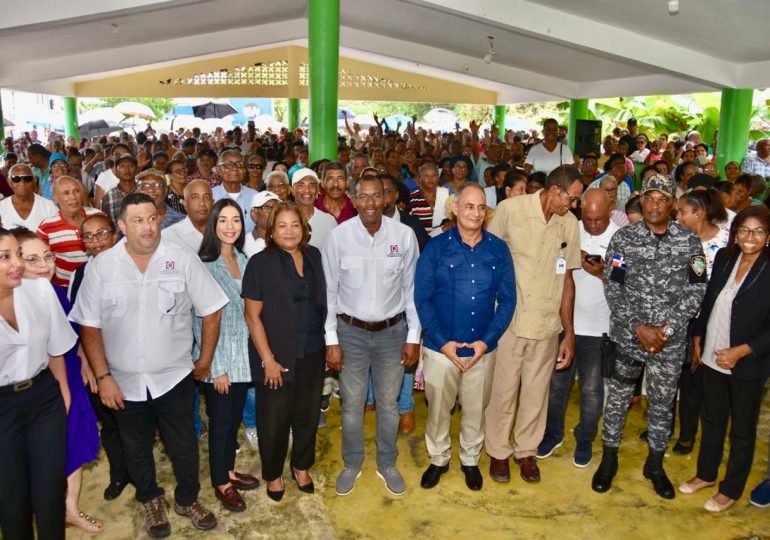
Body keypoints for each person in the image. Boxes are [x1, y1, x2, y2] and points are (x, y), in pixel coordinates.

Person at [70, 193, 228, 537]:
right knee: (136, 447)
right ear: (122, 226)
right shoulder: (102, 267)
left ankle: (187, 499)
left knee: (184, 445)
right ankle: (151, 500)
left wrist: (205, 360)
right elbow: (89, 325)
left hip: (174, 377)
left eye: (152, 218)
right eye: (138, 220)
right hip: (122, 381)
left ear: (160, 220)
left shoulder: (180, 258)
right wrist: (102, 375)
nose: (147, 227)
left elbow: (212, 307)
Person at [592, 173, 707, 500]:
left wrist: (666, 330)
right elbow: (613, 286)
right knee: (617, 398)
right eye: (650, 198)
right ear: (642, 201)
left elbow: (696, 290)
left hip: (669, 344)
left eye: (663, 199)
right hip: (629, 338)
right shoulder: (623, 240)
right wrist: (638, 327)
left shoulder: (689, 242)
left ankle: (655, 464)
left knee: (662, 403)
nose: (655, 204)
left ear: (673, 205)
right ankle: (609, 458)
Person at [323, 174, 421, 497]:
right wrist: (331, 340)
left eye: (376, 196)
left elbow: (411, 291)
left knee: (389, 405)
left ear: (386, 198)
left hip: (393, 334)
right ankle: (352, 463)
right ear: (354, 198)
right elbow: (329, 293)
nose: (370, 203)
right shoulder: (339, 238)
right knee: (351, 405)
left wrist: (413, 335)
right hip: (350, 332)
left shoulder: (405, 236)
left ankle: (387, 462)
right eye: (363, 197)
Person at [484, 165, 582, 484]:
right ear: (555, 191)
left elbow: (567, 279)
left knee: (537, 393)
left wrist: (568, 332)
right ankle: (498, 452)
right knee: (503, 391)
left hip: (547, 324)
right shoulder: (510, 210)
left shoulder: (569, 224)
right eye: (572, 197)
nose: (574, 204)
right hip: (510, 322)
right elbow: (487, 265)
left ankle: (526, 452)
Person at [415, 183, 515, 491]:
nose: (474, 212)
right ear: (455, 209)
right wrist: (443, 343)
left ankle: (470, 461)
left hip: (482, 349)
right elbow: (422, 297)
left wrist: (486, 342)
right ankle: (438, 458)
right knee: (438, 409)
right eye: (468, 206)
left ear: (487, 213)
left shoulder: (498, 249)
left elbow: (508, 300)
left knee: (475, 409)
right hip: (440, 348)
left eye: (480, 207)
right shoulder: (436, 247)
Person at [679, 206, 770, 512]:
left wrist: (742, 350)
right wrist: (698, 335)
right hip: (712, 352)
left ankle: (730, 489)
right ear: (734, 233)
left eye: (758, 231)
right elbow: (710, 300)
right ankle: (705, 474)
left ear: (768, 236)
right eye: (744, 230)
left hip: (747, 360)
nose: (750, 237)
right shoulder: (724, 258)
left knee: (741, 430)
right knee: (712, 419)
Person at [13, 228, 102, 533]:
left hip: (68, 377)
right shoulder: (11, 299)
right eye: (32, 258)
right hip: (39, 389)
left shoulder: (53, 292)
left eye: (48, 256)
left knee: (74, 444)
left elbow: (72, 335)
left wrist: (86, 364)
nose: (43, 265)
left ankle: (70, 509)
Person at [243, 201, 327, 501]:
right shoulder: (259, 263)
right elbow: (252, 316)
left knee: (307, 415)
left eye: (295, 225)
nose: (289, 231)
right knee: (274, 420)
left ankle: (301, 466)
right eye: (282, 226)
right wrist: (268, 360)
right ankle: (274, 474)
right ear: (271, 231)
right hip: (276, 357)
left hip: (313, 351)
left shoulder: (314, 255)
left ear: (304, 229)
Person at [0, 228, 75, 540]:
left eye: (18, 254)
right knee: (11, 501)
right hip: (3, 410)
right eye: (5, 257)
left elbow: (56, 350)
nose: (17, 263)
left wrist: (63, 396)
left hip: (44, 399)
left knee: (50, 493)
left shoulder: (40, 292)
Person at [537, 189, 619, 468]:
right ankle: (553, 433)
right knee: (556, 386)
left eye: (599, 219)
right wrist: (572, 259)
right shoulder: (569, 228)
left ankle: (585, 437)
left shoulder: (621, 237)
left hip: (599, 330)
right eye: (588, 218)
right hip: (565, 324)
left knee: (593, 390)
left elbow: (626, 282)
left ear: (611, 210)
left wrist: (602, 272)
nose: (593, 225)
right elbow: (554, 269)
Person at [194, 199, 259, 512]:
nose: (230, 226)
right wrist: (214, 367)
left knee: (231, 420)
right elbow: (200, 320)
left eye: (236, 220)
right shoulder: (204, 265)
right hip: (220, 360)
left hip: (243, 355)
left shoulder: (243, 258)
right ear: (213, 225)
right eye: (223, 221)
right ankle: (220, 481)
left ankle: (229, 471)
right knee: (220, 423)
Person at [67, 214, 131, 502]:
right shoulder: (79, 275)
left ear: (115, 235)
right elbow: (78, 323)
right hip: (98, 361)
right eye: (88, 236)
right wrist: (87, 361)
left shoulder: (132, 266)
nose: (95, 242)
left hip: (130, 357)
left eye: (101, 234)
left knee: (134, 422)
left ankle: (142, 473)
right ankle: (119, 474)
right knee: (110, 422)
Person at [36, 176, 103, 288]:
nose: (73, 196)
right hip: (66, 288)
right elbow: (39, 262)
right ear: (55, 199)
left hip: (100, 284)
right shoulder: (46, 227)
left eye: (76, 191)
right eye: (66, 193)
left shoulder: (99, 216)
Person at [163, 179, 215, 254]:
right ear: (185, 204)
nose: (202, 203)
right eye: (195, 198)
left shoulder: (225, 231)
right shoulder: (168, 236)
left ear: (213, 203)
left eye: (206, 197)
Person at [0, 163, 58, 230]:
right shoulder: (1, 208)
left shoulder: (50, 207)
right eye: (16, 179)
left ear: (34, 181)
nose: (22, 183)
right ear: (9, 182)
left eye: (27, 178)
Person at [291, 168, 337, 250]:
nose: (307, 190)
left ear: (317, 191)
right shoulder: (283, 219)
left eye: (312, 185)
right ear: (293, 190)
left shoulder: (329, 221)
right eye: (301, 185)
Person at [212, 149, 257, 233]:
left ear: (244, 170)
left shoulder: (255, 196)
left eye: (239, 164)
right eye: (228, 164)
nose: (235, 168)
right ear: (219, 170)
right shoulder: (210, 196)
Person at [408, 163, 449, 236]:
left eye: (433, 176)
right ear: (420, 179)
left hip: (444, 240)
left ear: (438, 177)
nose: (430, 179)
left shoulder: (446, 194)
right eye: (426, 176)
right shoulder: (412, 198)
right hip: (421, 241)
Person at [100, 153, 139, 223]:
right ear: (116, 171)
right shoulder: (107, 197)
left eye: (131, 166)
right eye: (122, 166)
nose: (126, 169)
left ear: (136, 170)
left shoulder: (144, 191)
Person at [244, 191, 280, 258]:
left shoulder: (284, 238)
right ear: (254, 214)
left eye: (276, 208)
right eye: (267, 208)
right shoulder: (244, 244)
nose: (273, 212)